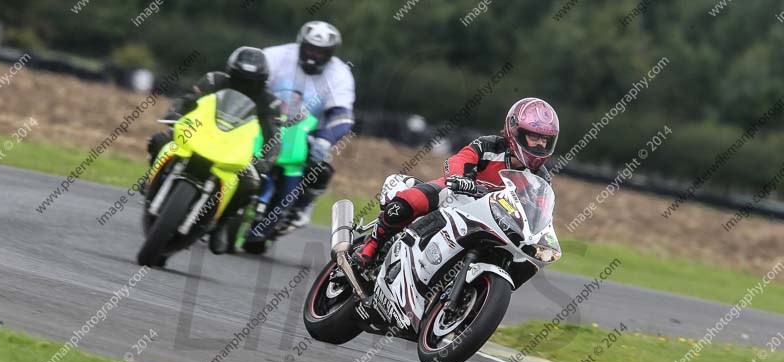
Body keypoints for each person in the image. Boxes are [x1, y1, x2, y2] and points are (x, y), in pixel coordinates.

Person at [353, 97, 559, 269]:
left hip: (492, 223)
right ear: (515, 131)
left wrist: (543, 233)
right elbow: (460, 159)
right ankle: (370, 246)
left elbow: (540, 212)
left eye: (545, 140)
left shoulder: (541, 178)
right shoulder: (490, 146)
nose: (540, 144)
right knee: (412, 199)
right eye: (535, 136)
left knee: (528, 263)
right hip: (458, 198)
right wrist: (460, 178)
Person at [146, 46, 283, 254]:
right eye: (239, 78)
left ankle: (220, 224)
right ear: (231, 72)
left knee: (252, 181)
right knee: (159, 140)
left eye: (250, 82)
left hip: (235, 146)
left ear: (261, 81)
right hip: (202, 133)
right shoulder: (213, 81)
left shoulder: (269, 101)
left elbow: (273, 134)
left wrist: (266, 158)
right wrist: (175, 114)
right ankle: (152, 179)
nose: (243, 85)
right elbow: (188, 100)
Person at [259, 20, 355, 234]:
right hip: (265, 123)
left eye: (321, 53)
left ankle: (299, 208)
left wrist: (325, 140)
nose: (314, 56)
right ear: (301, 44)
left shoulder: (340, 73)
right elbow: (253, 83)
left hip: (306, 134)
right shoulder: (275, 56)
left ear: (331, 53)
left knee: (320, 168)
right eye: (310, 49)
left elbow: (342, 113)